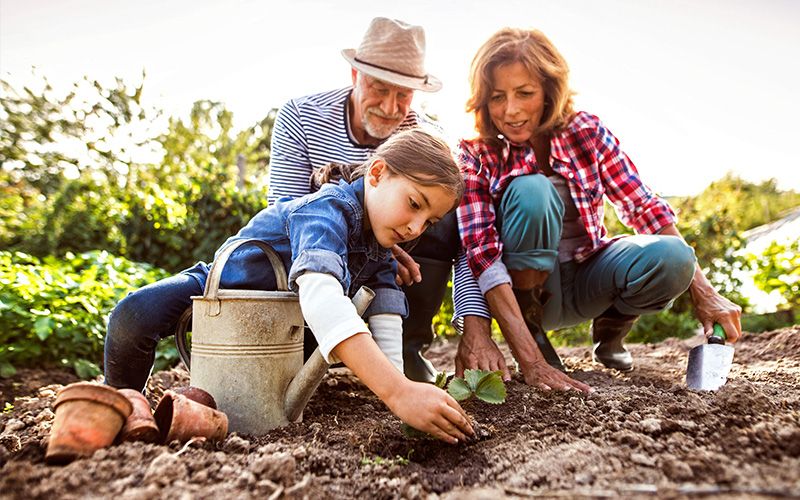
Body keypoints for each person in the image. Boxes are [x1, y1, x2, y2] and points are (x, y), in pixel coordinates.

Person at [104, 129, 473, 443]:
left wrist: (399, 386)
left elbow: (386, 315)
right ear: (377, 172)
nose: (414, 228)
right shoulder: (326, 210)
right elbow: (321, 294)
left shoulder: (380, 244)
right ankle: (120, 406)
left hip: (280, 330)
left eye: (429, 221)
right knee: (134, 314)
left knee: (319, 345)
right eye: (414, 204)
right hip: (221, 290)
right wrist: (397, 392)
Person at [451, 28, 742, 392]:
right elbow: (480, 255)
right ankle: (535, 334)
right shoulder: (476, 153)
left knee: (675, 258)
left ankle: (610, 331)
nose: (511, 110)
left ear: (548, 91)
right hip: (528, 294)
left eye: (525, 93)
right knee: (532, 191)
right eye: (497, 97)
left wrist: (705, 293)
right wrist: (532, 362)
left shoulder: (585, 131)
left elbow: (643, 207)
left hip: (590, 276)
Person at [267, 17, 461, 383]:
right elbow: (287, 209)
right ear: (355, 77)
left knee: (440, 209)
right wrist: (378, 247)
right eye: (379, 88)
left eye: (403, 94)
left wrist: (471, 325)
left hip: (383, 251)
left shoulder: (421, 136)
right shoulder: (301, 116)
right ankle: (303, 339)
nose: (390, 107)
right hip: (318, 251)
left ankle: (406, 345)